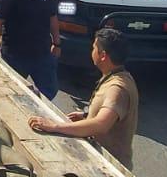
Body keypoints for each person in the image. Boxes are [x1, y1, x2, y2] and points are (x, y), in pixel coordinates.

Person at [27, 28, 138, 168]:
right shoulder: (118, 76)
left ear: (103, 55)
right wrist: (87, 115)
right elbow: (110, 116)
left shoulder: (117, 88)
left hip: (109, 167)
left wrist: (55, 127)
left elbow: (101, 125)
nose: (91, 52)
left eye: (94, 48)